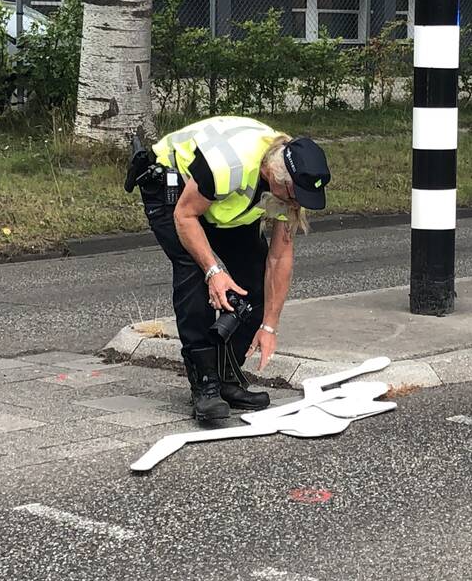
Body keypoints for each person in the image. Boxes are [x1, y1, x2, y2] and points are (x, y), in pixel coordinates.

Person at [129, 115, 331, 423]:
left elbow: (279, 258)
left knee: (253, 279)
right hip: (173, 188)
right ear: (274, 175)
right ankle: (205, 386)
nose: (296, 204)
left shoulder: (286, 180)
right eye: (294, 196)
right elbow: (185, 217)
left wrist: (269, 327)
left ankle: (227, 377)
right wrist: (214, 271)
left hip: (224, 204)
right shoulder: (228, 166)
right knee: (194, 273)